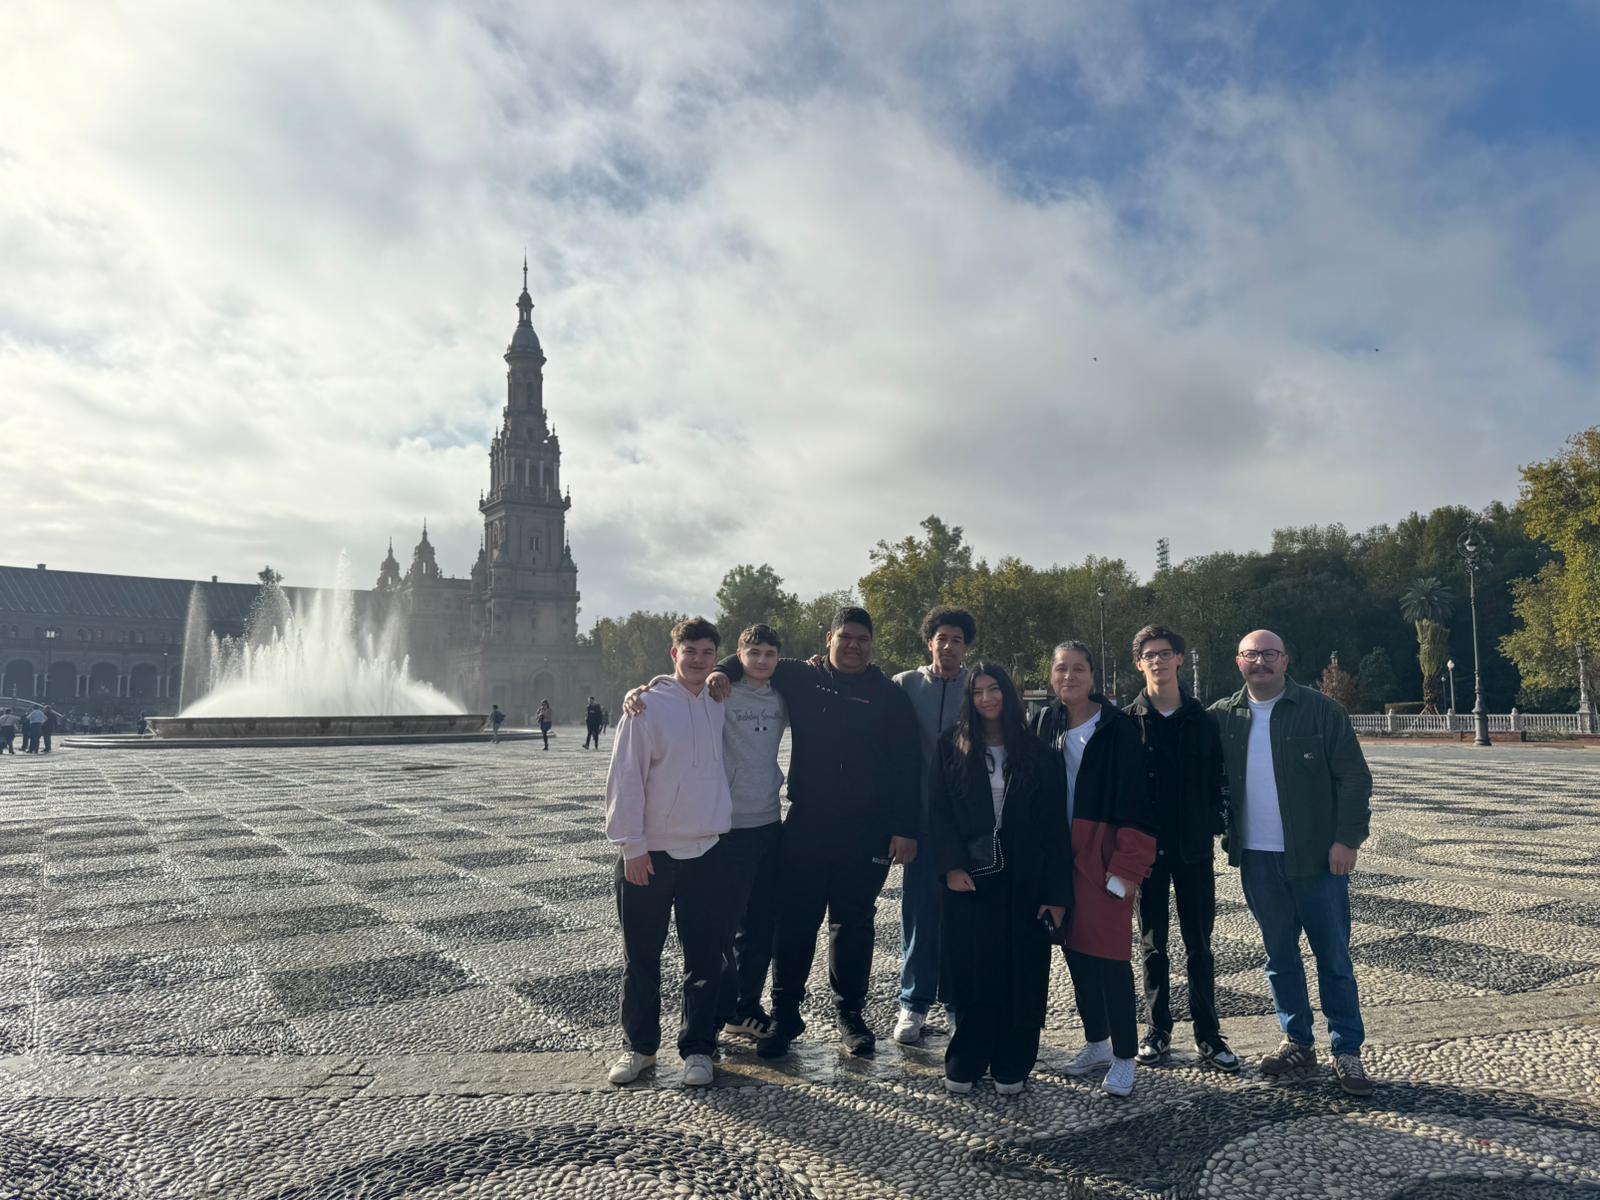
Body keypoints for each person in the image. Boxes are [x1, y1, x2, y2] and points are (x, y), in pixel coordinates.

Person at [707, 606, 921, 1059]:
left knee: (854, 924)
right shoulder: (800, 677)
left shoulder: (888, 695)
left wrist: (905, 828)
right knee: (795, 922)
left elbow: (908, 765)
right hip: (808, 823)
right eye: (846, 637)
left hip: (868, 829)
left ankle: (851, 1015)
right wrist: (720, 672)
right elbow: (748, 657)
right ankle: (786, 1015)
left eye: (862, 639)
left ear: (871, 644)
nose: (854, 646)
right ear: (829, 639)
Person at [1211, 629, 1375, 1096]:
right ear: (1238, 662)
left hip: (1318, 858)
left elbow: (1354, 778)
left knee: (1333, 957)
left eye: (1269, 654)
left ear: (1285, 661)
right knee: (1279, 957)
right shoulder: (1223, 716)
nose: (1260, 662)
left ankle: (1347, 1049)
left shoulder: (1321, 711)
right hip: (1257, 858)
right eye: (1251, 655)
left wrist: (1347, 840)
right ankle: (1298, 1041)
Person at [927, 663, 1071, 1094]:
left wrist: (1056, 893)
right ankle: (969, 1053)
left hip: (1025, 875)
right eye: (978, 692)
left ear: (1008, 694)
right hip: (971, 875)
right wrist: (951, 866)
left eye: (994, 689)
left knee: (1021, 967)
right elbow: (938, 812)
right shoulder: (951, 745)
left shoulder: (1039, 753)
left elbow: (1055, 828)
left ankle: (1014, 1057)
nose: (987, 698)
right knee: (973, 966)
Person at [603, 617, 733, 1088]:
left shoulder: (718, 699)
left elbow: (758, 664)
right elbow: (626, 777)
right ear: (673, 654)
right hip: (651, 855)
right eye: (689, 651)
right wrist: (632, 847)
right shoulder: (645, 708)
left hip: (707, 850)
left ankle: (698, 1048)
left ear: (715, 658)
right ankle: (639, 1047)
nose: (698, 659)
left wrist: (723, 676)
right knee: (642, 958)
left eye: (706, 652)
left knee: (705, 958)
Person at [1032, 641, 1156, 1097]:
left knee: (1110, 958)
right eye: (1061, 668)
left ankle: (1125, 1056)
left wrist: (1126, 866)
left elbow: (1137, 799)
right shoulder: (1045, 722)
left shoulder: (1117, 728)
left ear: (1093, 676)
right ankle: (1097, 1042)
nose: (1069, 676)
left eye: (1079, 668)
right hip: (1057, 853)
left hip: (1102, 853)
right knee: (1076, 953)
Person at [1124, 625, 1238, 1072]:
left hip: (1193, 847)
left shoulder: (1203, 721)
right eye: (1149, 655)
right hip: (1147, 849)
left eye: (1165, 653)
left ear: (1179, 660)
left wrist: (1220, 826)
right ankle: (1158, 1029)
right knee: (1152, 945)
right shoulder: (1127, 722)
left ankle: (1208, 1034)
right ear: (1139, 664)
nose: (1158, 661)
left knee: (1200, 944)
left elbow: (1220, 781)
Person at [891, 606, 976, 1045]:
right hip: (921, 821)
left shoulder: (978, 687)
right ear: (929, 642)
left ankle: (961, 1003)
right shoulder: (905, 684)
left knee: (964, 916)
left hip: (967, 825)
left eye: (957, 640)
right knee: (920, 915)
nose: (948, 646)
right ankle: (914, 1001)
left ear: (967, 647)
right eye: (942, 638)